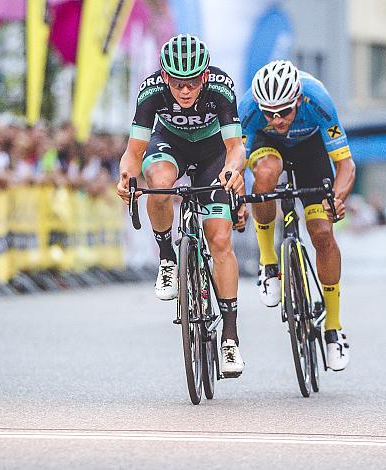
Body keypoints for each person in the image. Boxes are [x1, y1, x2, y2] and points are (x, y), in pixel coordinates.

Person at [116, 34, 247, 376]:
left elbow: (236, 147)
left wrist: (232, 170)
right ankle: (168, 259)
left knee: (219, 239)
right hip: (169, 144)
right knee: (158, 186)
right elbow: (134, 152)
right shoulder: (150, 91)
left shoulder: (220, 88)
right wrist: (126, 177)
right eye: (176, 83)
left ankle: (230, 339)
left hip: (212, 152)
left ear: (204, 76)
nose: (185, 91)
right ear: (165, 77)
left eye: (191, 83)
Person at [238, 60, 355, 371]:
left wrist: (336, 199)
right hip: (268, 150)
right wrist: (235, 199)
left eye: (285, 112)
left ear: (299, 99)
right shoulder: (248, 108)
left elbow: (346, 166)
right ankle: (268, 261)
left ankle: (333, 327)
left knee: (322, 233)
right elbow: (236, 164)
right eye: (269, 113)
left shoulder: (317, 99)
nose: (277, 119)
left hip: (310, 151)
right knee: (264, 174)